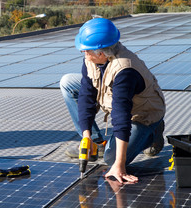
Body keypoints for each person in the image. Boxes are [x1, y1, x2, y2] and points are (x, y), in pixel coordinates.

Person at [60, 18, 165, 183]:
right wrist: (86, 135)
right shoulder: (91, 58)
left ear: (101, 53)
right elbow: (86, 96)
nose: (84, 54)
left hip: (142, 114)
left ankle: (153, 133)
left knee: (111, 159)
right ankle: (95, 143)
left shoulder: (125, 71)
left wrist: (119, 164)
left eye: (86, 50)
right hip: (118, 103)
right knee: (67, 83)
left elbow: (121, 115)